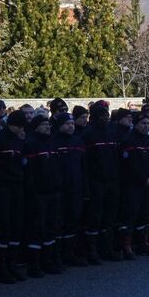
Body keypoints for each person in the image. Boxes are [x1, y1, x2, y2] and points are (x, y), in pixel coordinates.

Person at [0, 110, 28, 283]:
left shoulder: (19, 141)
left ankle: (12, 264)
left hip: (17, 187)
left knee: (16, 226)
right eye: (17, 126)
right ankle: (0, 268)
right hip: (1, 189)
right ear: (10, 124)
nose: (20, 130)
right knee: (3, 228)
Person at [82, 102, 122, 262]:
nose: (105, 119)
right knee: (95, 216)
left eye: (107, 116)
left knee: (109, 216)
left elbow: (116, 158)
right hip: (96, 182)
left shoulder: (112, 133)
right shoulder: (88, 135)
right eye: (102, 117)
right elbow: (85, 163)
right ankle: (92, 249)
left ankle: (107, 247)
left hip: (112, 181)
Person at [23, 116, 63, 274]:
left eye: (48, 124)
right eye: (44, 125)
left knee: (51, 228)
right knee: (37, 229)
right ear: (36, 127)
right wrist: (33, 193)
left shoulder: (52, 142)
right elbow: (30, 173)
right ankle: (34, 264)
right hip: (38, 194)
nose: (47, 127)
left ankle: (48, 260)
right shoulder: (31, 144)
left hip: (53, 192)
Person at [120, 114, 149, 258]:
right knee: (131, 215)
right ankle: (126, 246)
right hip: (133, 185)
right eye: (143, 123)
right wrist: (144, 179)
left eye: (148, 123)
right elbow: (131, 165)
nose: (146, 126)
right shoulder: (128, 140)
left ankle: (143, 243)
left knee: (145, 214)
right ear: (135, 124)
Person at [52, 113, 86, 266]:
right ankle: (56, 255)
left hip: (76, 188)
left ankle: (70, 253)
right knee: (58, 222)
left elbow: (84, 166)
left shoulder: (78, 142)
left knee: (73, 220)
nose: (71, 126)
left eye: (72, 123)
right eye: (67, 124)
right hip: (59, 189)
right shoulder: (53, 142)